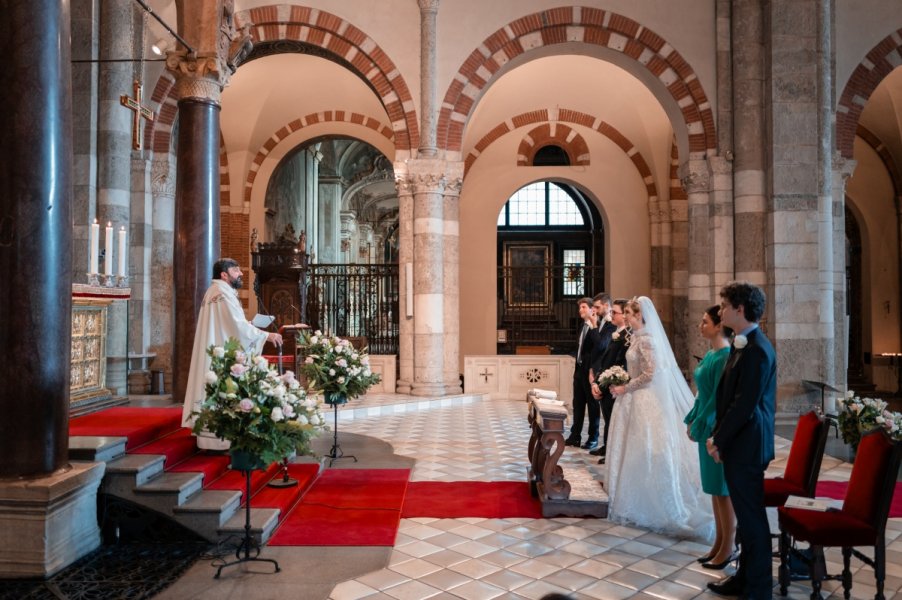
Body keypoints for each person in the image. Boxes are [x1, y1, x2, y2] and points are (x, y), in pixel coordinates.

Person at [605, 297, 713, 540]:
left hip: (643, 399)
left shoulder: (648, 341)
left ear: (639, 317)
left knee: (646, 448)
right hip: (633, 397)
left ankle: (652, 502)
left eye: (631, 315)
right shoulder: (636, 338)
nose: (628, 319)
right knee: (633, 449)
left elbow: (651, 374)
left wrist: (626, 387)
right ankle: (630, 497)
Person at [706, 282, 776, 599]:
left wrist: (719, 438)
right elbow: (727, 396)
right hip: (739, 442)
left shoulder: (759, 349)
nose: (720, 311)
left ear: (740, 308)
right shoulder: (742, 343)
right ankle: (743, 578)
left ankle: (758, 587)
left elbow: (745, 404)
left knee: (752, 520)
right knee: (747, 521)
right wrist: (718, 435)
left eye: (724, 305)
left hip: (748, 445)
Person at [181, 258, 283, 450]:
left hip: (218, 346)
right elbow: (237, 326)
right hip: (220, 350)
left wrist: (250, 328)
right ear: (224, 274)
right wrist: (266, 335)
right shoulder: (222, 293)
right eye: (236, 271)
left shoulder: (217, 291)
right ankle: (219, 440)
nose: (241, 274)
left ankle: (211, 435)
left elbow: (231, 324)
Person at [684, 305, 736, 569]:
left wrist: (702, 421)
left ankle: (728, 546)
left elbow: (717, 397)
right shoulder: (711, 353)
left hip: (715, 426)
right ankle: (718, 541)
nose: (700, 326)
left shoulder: (725, 356)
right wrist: (692, 416)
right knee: (714, 490)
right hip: (704, 421)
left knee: (723, 490)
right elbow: (701, 393)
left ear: (718, 326)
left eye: (705, 322)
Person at [589, 298, 629, 463]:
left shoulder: (626, 336)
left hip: (614, 387)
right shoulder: (617, 334)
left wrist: (602, 384)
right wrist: (597, 382)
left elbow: (619, 364)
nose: (611, 315)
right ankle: (608, 450)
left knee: (613, 421)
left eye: (615, 312)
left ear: (625, 315)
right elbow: (606, 361)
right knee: (608, 420)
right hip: (605, 382)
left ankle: (612, 453)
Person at [564, 297, 600, 448]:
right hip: (579, 371)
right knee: (577, 405)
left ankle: (593, 438)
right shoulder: (583, 326)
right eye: (580, 308)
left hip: (590, 372)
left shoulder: (595, 327)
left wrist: (594, 325)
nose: (581, 310)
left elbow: (598, 345)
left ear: (592, 309)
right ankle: (575, 435)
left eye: (584, 307)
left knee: (592, 406)